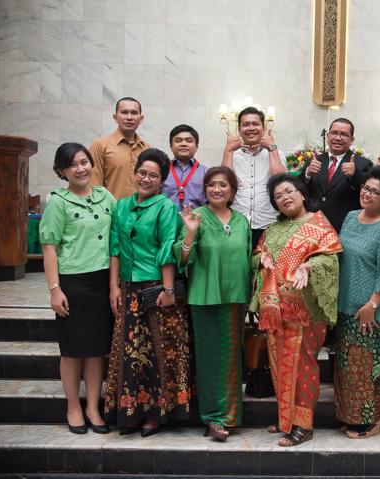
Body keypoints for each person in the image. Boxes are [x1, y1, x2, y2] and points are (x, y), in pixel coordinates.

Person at [104, 148, 191, 438]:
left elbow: (167, 249)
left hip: (156, 289)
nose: (146, 179)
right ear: (135, 173)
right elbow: (115, 247)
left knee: (158, 351)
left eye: (153, 175)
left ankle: (155, 415)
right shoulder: (121, 206)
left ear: (161, 180)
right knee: (128, 352)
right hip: (128, 289)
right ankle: (129, 412)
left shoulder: (165, 207)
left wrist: (168, 289)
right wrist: (114, 286)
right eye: (142, 173)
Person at [251, 173, 342, 447]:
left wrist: (308, 266)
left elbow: (331, 261)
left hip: (305, 311)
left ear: (302, 193)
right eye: (278, 196)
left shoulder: (319, 225)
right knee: (279, 363)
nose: (284, 198)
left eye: (289, 191)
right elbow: (256, 255)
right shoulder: (272, 230)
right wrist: (261, 258)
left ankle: (303, 425)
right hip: (275, 309)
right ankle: (286, 418)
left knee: (302, 366)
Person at [39, 142, 116, 435]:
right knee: (72, 350)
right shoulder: (58, 201)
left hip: (102, 281)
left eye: (84, 162)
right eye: (72, 165)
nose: (80, 169)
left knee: (95, 350)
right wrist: (54, 289)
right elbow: (49, 248)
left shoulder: (105, 196)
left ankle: (93, 407)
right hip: (73, 283)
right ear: (62, 171)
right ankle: (73, 406)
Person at [174, 166, 251, 441]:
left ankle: (230, 417)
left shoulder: (241, 220)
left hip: (235, 299)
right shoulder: (196, 217)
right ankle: (213, 419)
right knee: (210, 360)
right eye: (211, 184)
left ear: (232, 191)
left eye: (223, 185)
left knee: (231, 359)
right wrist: (190, 233)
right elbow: (182, 260)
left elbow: (248, 257)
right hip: (205, 298)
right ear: (205, 189)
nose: (217, 189)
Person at [333, 166, 380, 439]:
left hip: (369, 311)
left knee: (367, 368)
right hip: (345, 306)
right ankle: (350, 416)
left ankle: (371, 421)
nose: (367, 194)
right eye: (366, 188)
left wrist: (372, 305)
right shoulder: (351, 217)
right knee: (347, 368)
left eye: (376, 192)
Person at [222, 106, 286, 247]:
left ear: (263, 128)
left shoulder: (276, 153)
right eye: (246, 124)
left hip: (269, 223)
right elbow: (224, 183)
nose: (251, 128)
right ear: (239, 129)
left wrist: (271, 147)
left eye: (255, 124)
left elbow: (280, 181)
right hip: (238, 223)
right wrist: (228, 150)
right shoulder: (232, 155)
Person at [302, 118, 373, 233]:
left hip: (345, 229)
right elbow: (299, 189)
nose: (338, 138)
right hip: (312, 226)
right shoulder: (314, 160)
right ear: (328, 135)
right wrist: (307, 174)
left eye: (344, 134)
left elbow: (370, 196)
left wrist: (354, 176)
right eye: (334, 133)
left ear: (351, 140)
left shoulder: (363, 164)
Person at [90, 97, 150, 199]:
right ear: (115, 117)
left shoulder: (147, 149)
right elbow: (94, 186)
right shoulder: (100, 146)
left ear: (141, 119)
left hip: (142, 208)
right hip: (112, 208)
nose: (129, 117)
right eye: (124, 112)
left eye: (134, 113)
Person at [161, 124, 207, 210]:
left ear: (197, 146)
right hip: (166, 218)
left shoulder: (207, 173)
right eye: (178, 140)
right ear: (171, 146)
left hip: (197, 218)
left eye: (189, 141)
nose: (183, 144)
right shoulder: (161, 171)